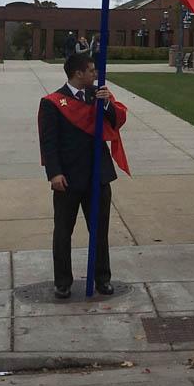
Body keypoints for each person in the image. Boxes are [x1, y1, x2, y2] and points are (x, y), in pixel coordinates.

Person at [38, 52, 129, 299]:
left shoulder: (98, 96)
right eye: (91, 70)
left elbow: (116, 122)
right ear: (78, 73)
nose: (96, 74)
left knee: (99, 231)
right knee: (63, 232)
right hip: (67, 179)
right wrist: (54, 173)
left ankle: (102, 278)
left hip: (98, 176)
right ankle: (63, 282)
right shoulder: (52, 102)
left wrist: (108, 102)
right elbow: (49, 142)